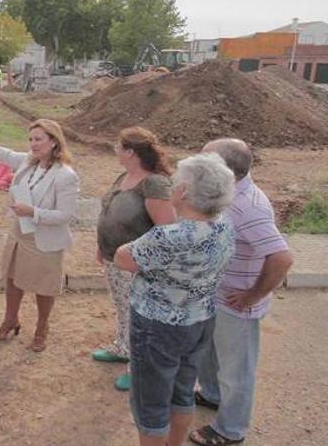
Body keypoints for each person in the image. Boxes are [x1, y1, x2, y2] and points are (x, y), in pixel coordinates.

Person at [114, 153, 236, 446]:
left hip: (158, 328)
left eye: (177, 182)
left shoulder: (170, 236)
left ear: (184, 192)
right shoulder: (224, 226)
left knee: (151, 404)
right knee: (182, 391)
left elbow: (123, 258)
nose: (172, 186)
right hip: (199, 320)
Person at [189, 139, 294, 446]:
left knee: (236, 371)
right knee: (209, 354)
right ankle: (211, 394)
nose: (198, 162)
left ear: (224, 169)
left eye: (204, 158)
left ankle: (230, 430)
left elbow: (282, 258)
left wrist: (252, 296)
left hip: (236, 304)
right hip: (216, 296)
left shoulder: (248, 207)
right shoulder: (226, 193)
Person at [0, 119, 79, 352]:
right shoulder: (29, 162)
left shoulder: (65, 175)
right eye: (31, 139)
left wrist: (33, 212)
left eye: (38, 139)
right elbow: (7, 154)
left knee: (43, 286)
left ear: (54, 142)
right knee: (13, 277)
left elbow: (66, 215)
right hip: (20, 232)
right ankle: (10, 319)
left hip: (44, 238)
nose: (33, 144)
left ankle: (42, 328)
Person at [93, 127, 176, 392]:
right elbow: (110, 210)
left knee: (138, 316)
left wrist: (143, 259)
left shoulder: (154, 183)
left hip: (138, 265)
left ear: (131, 152)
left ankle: (138, 368)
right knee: (123, 308)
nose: (115, 151)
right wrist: (101, 245)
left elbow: (167, 230)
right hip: (114, 259)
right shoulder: (125, 176)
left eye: (119, 147)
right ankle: (122, 347)